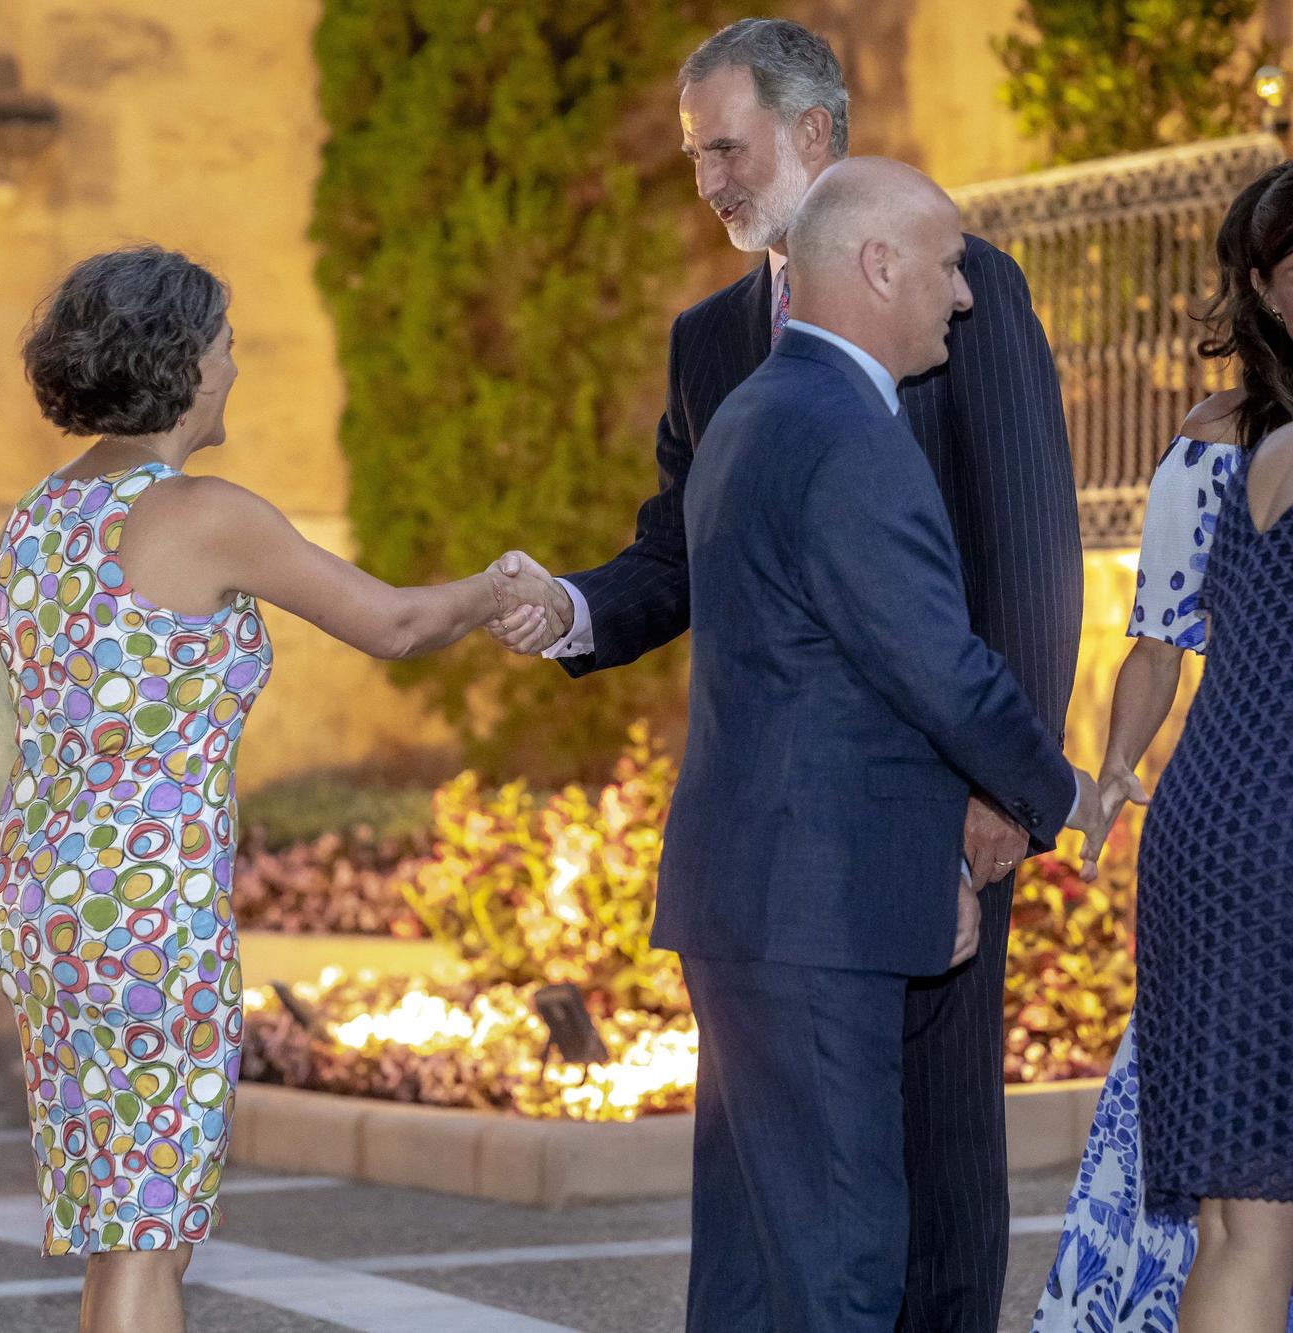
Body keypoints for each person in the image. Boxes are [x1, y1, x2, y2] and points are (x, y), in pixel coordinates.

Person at [488, 19, 1083, 1328]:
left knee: (931, 1176)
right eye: (695, 151)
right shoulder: (713, 340)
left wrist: (1005, 800)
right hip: (794, 868)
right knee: (803, 1220)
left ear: (815, 132)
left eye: (724, 145)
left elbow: (1030, 558)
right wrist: (575, 608)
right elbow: (682, 549)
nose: (704, 176)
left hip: (946, 818)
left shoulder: (961, 289)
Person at [0, 245, 559, 1333]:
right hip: (148, 916)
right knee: (151, 1237)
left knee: (118, 1226)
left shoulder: (31, 520)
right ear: (177, 362)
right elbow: (393, 623)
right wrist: (499, 588)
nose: (236, 364)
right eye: (225, 344)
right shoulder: (197, 512)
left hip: (43, 906)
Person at [661, 156, 1102, 1332]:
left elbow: (827, 681)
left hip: (758, 902)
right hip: (815, 911)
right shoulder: (843, 431)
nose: (964, 295)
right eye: (950, 265)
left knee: (756, 1276)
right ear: (877, 264)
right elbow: (935, 666)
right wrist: (1060, 789)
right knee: (843, 1271)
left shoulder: (763, 408)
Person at [1031, 162, 1293, 1333]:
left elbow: (1160, 635)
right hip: (1258, 842)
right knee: (1253, 1220)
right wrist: (1108, 771)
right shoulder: (1228, 444)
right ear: (1266, 291)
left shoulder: (1218, 445)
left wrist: (1118, 776)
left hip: (1219, 834)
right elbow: (1153, 641)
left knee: (1247, 1220)